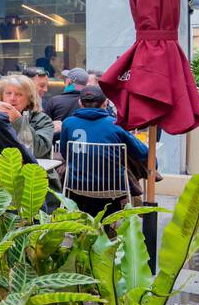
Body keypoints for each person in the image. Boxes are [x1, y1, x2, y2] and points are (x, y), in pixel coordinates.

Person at [58, 85, 152, 216]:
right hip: (113, 186)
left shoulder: (68, 123)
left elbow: (65, 154)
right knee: (129, 161)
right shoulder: (116, 124)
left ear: (80, 103)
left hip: (76, 185)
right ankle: (126, 207)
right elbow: (143, 153)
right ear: (105, 103)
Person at [0, 74, 55, 159]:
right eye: (8, 93)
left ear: (30, 99)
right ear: (1, 97)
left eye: (18, 94)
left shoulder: (42, 119)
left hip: (32, 170)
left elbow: (39, 151)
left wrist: (18, 121)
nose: (12, 98)